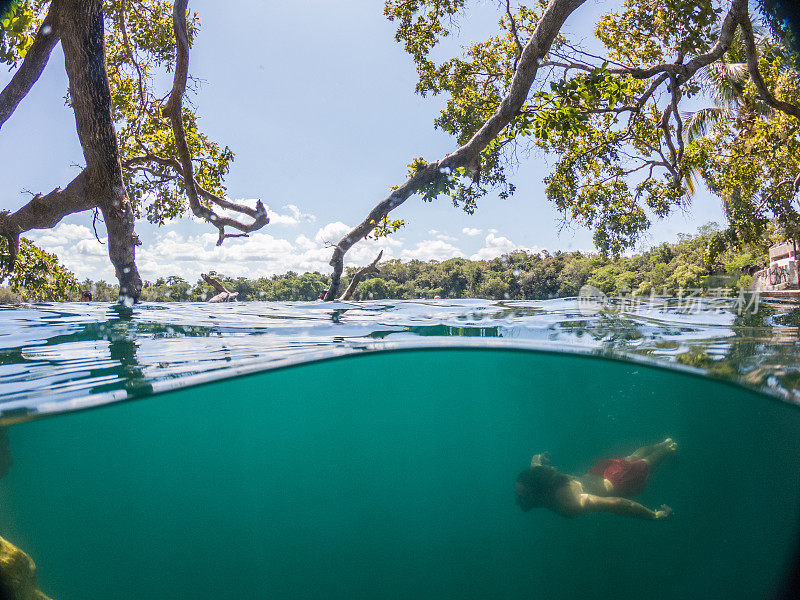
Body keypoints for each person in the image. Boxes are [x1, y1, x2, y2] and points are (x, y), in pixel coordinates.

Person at [515, 438, 677, 520]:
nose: (518, 499)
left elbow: (620, 504)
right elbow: (535, 461)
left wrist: (655, 515)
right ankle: (663, 443)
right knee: (632, 456)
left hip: (619, 480)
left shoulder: (568, 502)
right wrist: (541, 457)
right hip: (599, 471)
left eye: (522, 495)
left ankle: (670, 448)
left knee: (649, 461)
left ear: (537, 492)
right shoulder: (539, 475)